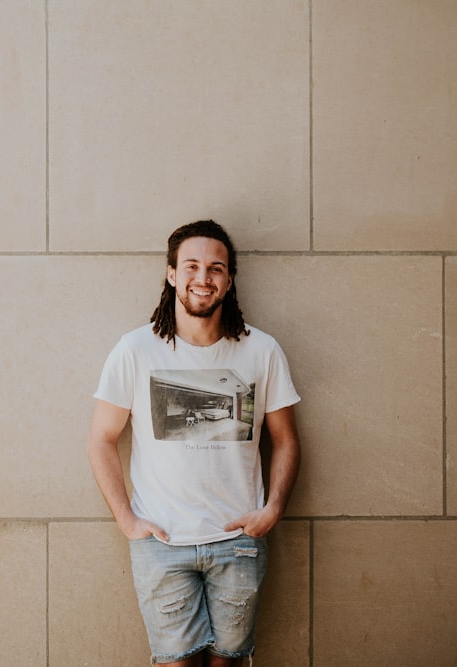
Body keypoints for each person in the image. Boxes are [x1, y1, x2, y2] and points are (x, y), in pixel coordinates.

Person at [88, 220, 301, 666]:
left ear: (229, 279)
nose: (203, 278)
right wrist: (128, 521)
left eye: (215, 268)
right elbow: (101, 440)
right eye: (192, 266)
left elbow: (285, 440)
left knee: (228, 662)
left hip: (238, 540)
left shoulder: (260, 351)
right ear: (171, 273)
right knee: (176, 663)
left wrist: (273, 510)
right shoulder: (135, 350)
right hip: (161, 542)